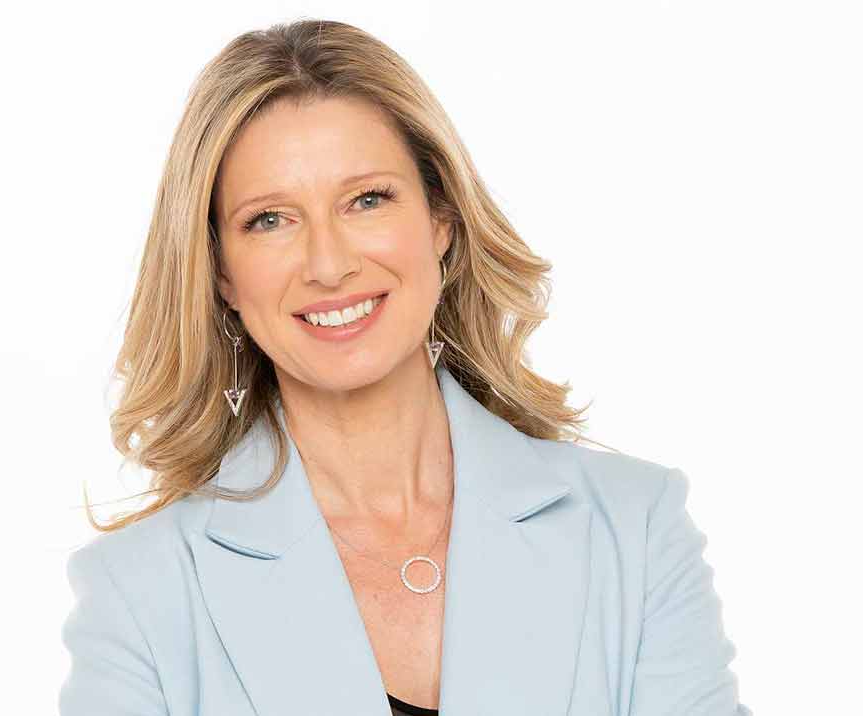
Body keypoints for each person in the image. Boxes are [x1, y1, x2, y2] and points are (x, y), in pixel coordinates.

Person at [59, 19, 750, 716]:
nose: (329, 264)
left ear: (440, 219)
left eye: (367, 200)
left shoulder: (634, 528)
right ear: (221, 273)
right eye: (270, 219)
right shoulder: (138, 595)